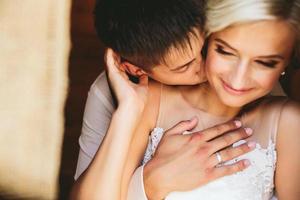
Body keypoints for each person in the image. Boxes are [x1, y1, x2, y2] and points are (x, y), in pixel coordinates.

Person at [71, 0, 260, 199]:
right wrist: (127, 110)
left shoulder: (246, 77)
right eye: (185, 66)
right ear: (136, 70)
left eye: (205, 49)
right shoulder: (108, 91)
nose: (207, 66)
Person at [124, 0, 300, 199]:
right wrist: (151, 184)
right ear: (206, 39)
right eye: (225, 51)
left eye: (265, 63)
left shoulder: (289, 123)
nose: (238, 79)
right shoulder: (150, 100)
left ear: (288, 60)